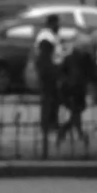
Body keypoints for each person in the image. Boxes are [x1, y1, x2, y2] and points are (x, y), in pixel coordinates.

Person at [33, 12, 63, 150]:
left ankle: (52, 123)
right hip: (48, 73)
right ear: (52, 23)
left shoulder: (50, 35)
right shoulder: (46, 37)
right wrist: (52, 72)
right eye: (57, 23)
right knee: (48, 98)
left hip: (51, 72)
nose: (59, 26)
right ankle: (47, 124)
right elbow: (44, 58)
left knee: (53, 98)